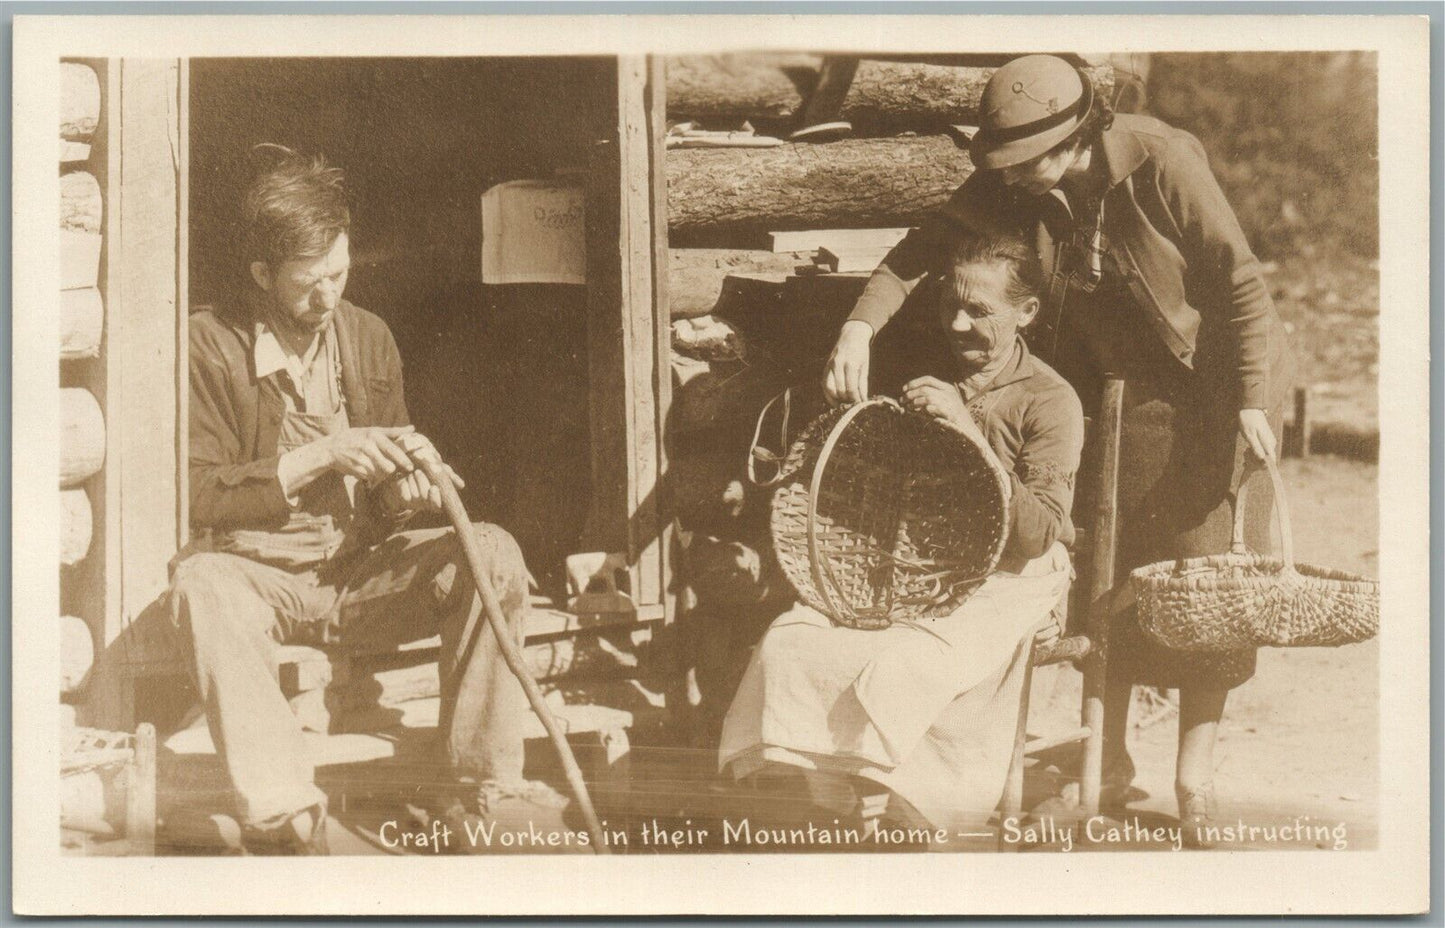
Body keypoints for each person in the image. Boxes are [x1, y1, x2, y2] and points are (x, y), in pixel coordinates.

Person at [823, 55, 1295, 844]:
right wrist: (856, 324)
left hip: (1196, 397)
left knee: (1202, 583)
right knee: (1097, 587)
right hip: (1088, 395)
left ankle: (1194, 781)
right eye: (1000, 165)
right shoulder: (1011, 179)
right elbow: (919, 250)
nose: (1008, 181)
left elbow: (1240, 285)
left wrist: (1254, 401)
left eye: (1024, 165)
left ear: (1076, 137)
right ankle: (1102, 766)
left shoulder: (1162, 161)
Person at [171, 148, 563, 853]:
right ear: (260, 275)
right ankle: (282, 808)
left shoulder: (367, 335)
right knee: (201, 583)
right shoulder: (209, 345)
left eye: (339, 275)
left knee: (492, 550)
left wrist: (408, 485)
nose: (326, 299)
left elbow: (392, 497)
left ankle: (484, 789)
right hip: (264, 578)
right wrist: (321, 453)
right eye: (306, 284)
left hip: (358, 572)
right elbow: (200, 492)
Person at [719, 231, 1083, 836]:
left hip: (1010, 576)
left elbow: (1041, 533)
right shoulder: (928, 372)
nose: (959, 324)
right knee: (790, 641)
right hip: (919, 559)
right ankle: (834, 800)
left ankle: (910, 809)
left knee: (906, 665)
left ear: (1028, 313)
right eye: (950, 306)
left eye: (980, 311)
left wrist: (968, 430)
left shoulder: (1050, 399)